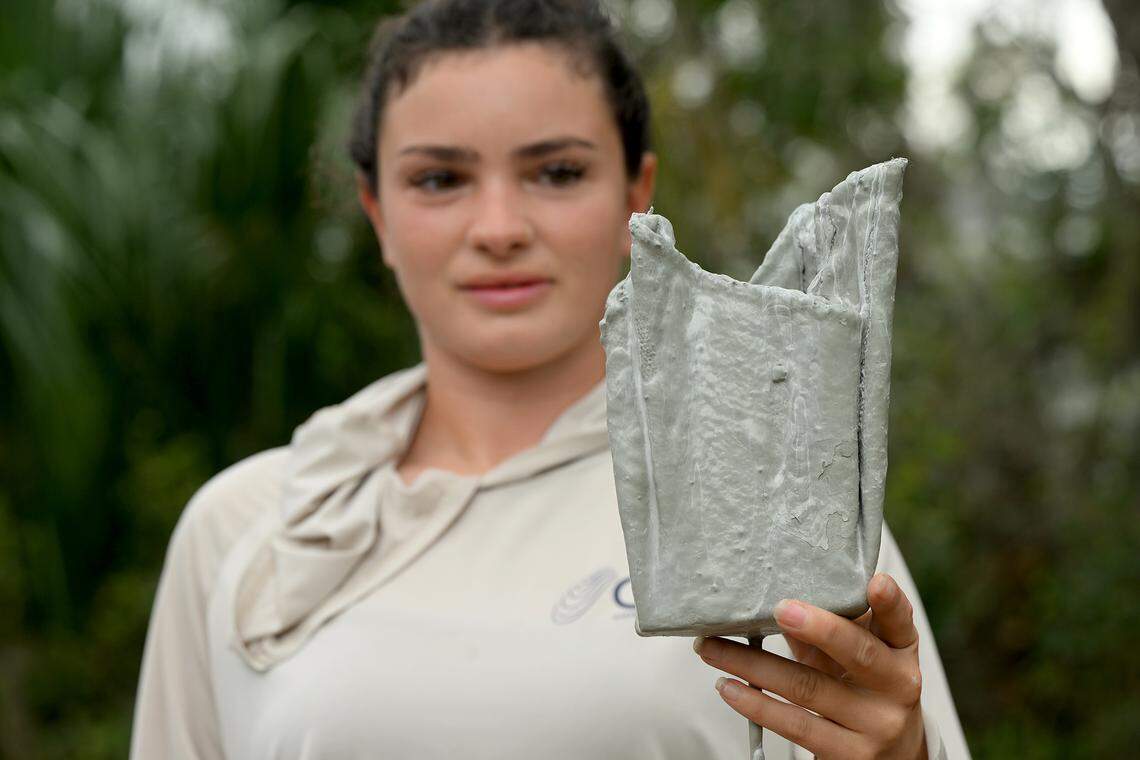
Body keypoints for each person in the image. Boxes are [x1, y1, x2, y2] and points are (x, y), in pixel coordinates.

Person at [129, 1, 970, 758]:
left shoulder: (787, 501)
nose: (499, 228)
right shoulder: (242, 527)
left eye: (557, 172)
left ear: (636, 195)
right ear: (377, 212)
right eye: (439, 179)